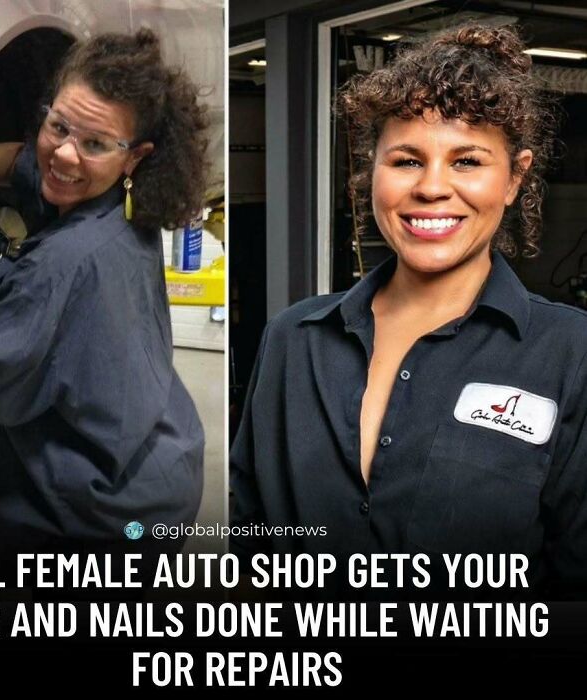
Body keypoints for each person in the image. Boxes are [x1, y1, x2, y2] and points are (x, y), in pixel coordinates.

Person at [230, 24, 587, 601]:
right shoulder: (293, 340)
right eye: (406, 160)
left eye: (467, 161)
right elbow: (252, 546)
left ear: (515, 177)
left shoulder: (571, 355)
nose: (432, 188)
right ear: (374, 169)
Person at [0, 29, 208, 591]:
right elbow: (27, 163)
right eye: (57, 126)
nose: (64, 153)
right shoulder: (122, 205)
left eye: (93, 143)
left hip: (95, 524)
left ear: (136, 156)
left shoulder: (57, 268)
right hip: (161, 462)